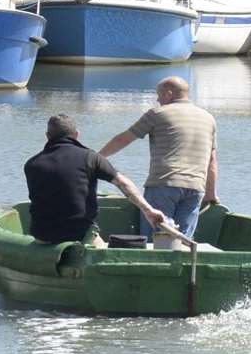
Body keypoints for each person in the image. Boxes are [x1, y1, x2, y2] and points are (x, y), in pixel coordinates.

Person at [99, 76, 217, 240]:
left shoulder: (158, 113)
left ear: (169, 94)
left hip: (164, 184)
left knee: (155, 240)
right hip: (196, 188)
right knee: (182, 243)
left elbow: (123, 139)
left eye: (159, 95)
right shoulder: (208, 118)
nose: (157, 99)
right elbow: (212, 161)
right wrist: (210, 194)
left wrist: (95, 158)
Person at [24, 114, 171, 245]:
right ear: (77, 135)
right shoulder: (91, 158)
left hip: (43, 236)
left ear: (47, 136)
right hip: (80, 235)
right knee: (98, 245)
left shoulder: (32, 164)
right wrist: (148, 210)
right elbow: (123, 183)